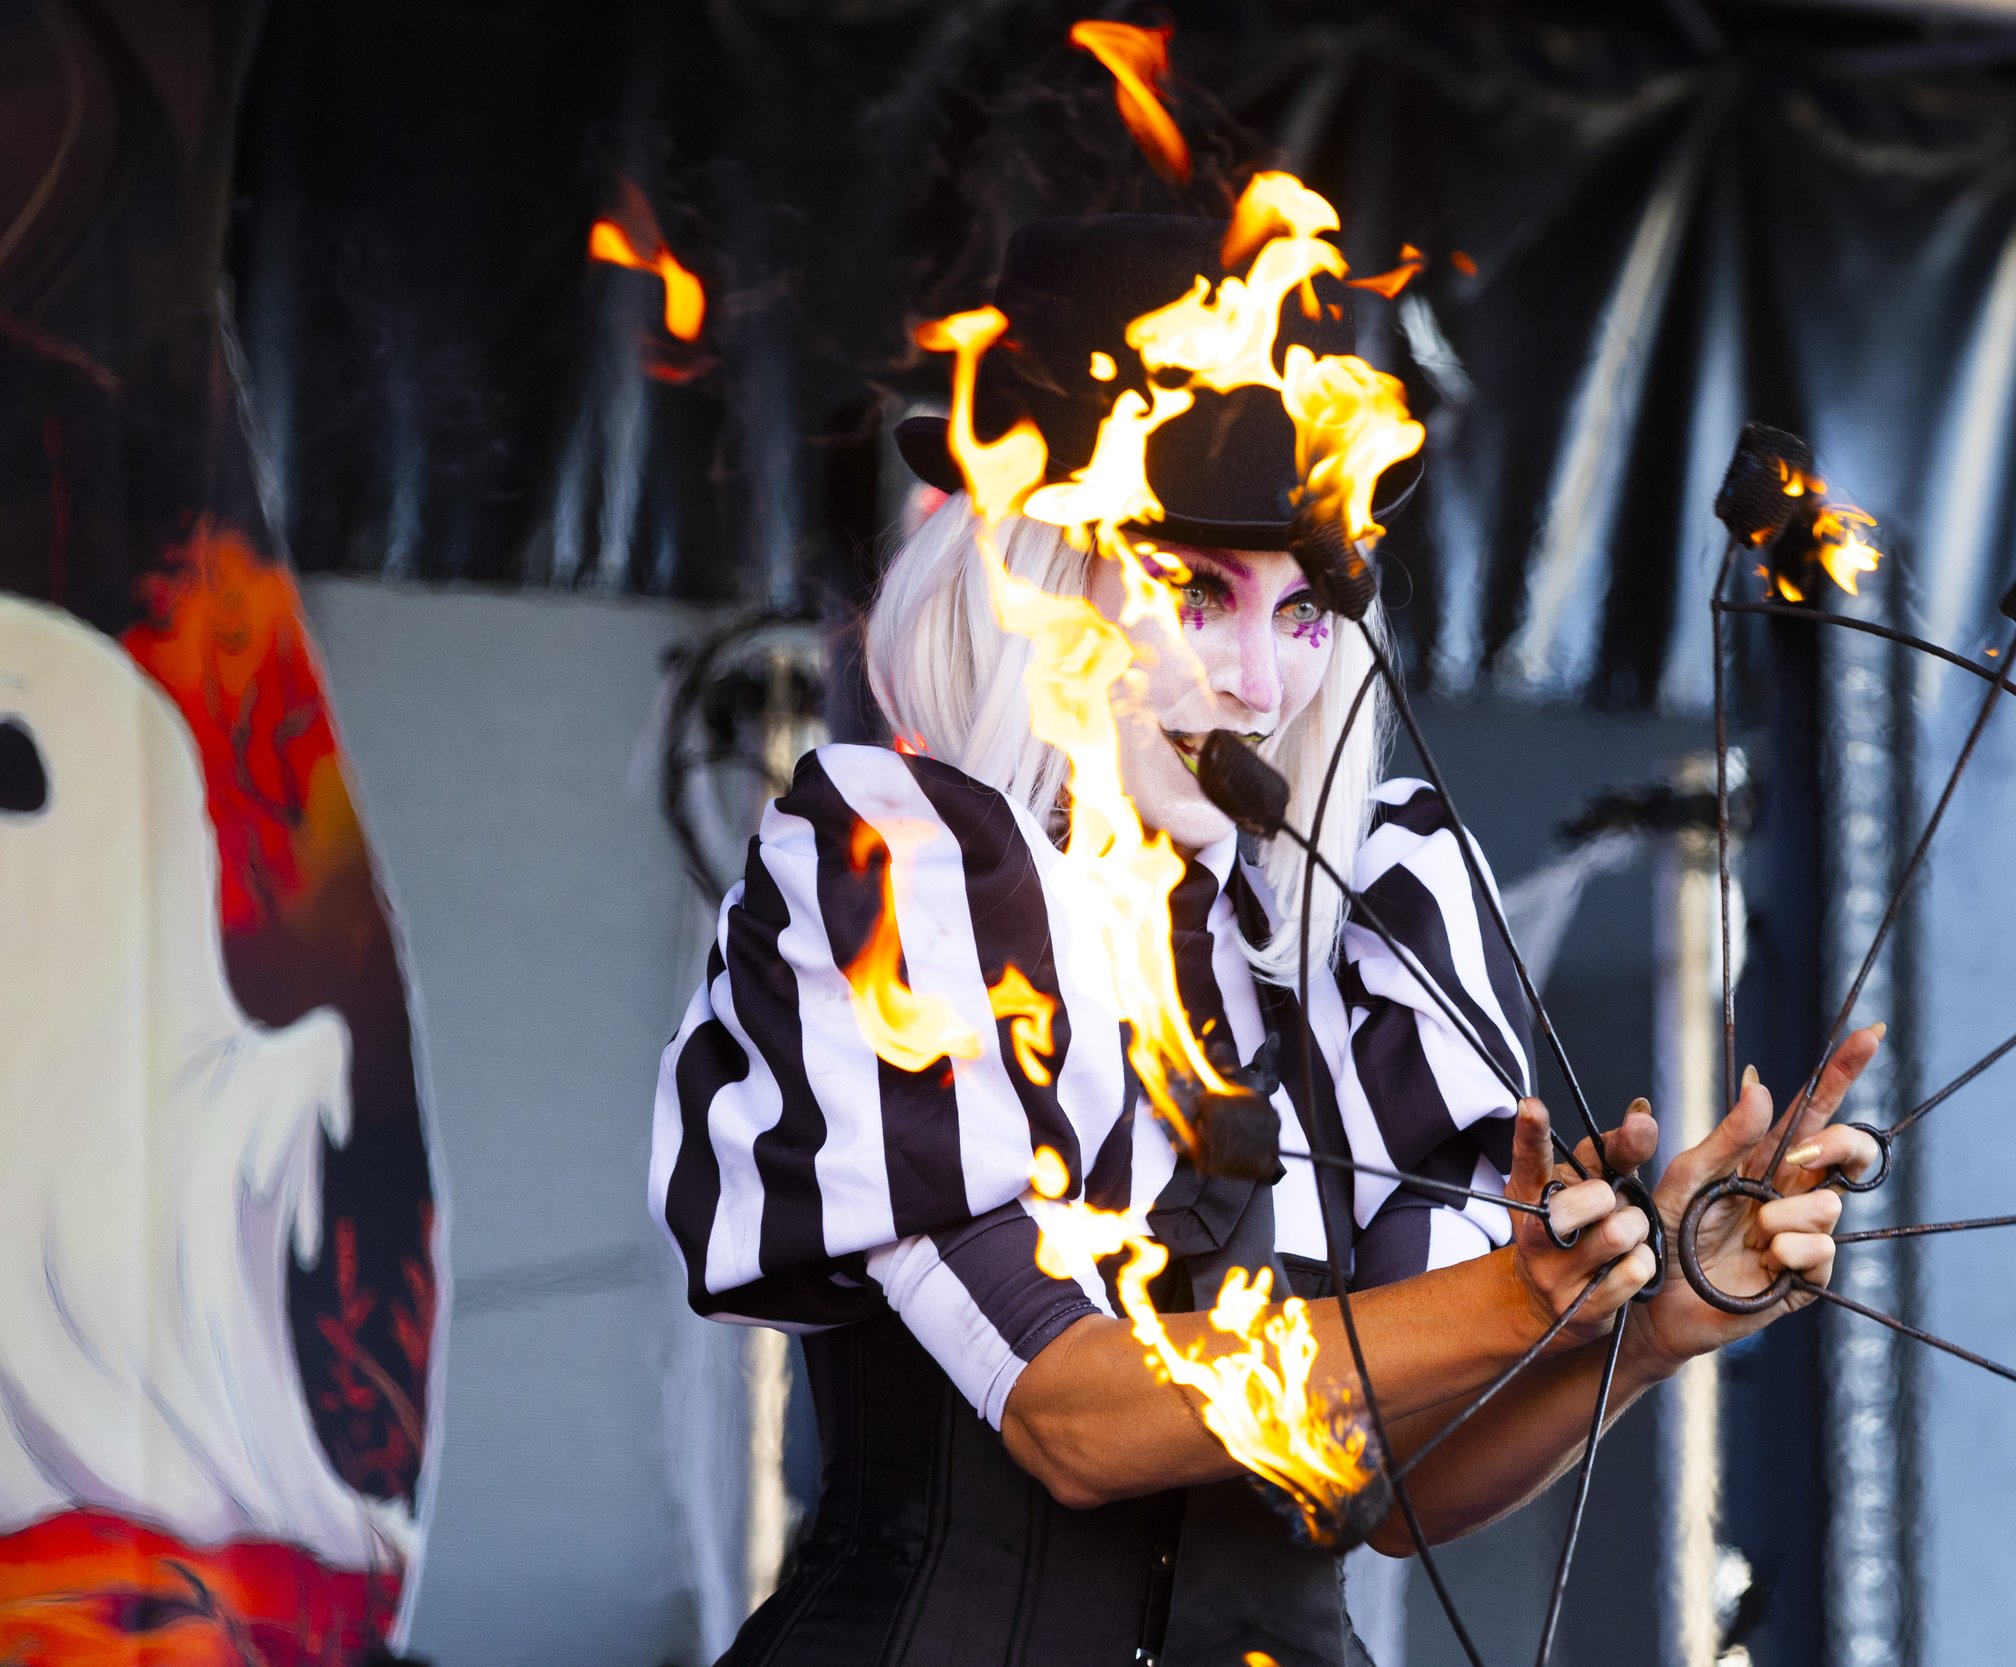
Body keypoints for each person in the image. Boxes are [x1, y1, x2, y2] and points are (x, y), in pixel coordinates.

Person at [650, 214, 1882, 1667]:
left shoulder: (1357, 921)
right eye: (1194, 590)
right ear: (1038, 583)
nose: (1254, 683)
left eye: (1304, 610)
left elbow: (1395, 1496)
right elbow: (1071, 1419)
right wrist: (1517, 1293)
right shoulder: (903, 873)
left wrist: (1649, 1320)